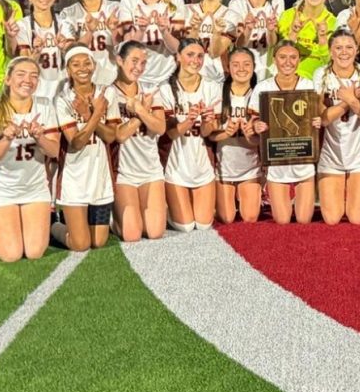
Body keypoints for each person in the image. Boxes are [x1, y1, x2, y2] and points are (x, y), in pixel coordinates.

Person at [0, 57, 60, 262]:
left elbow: (54, 151)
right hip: (3, 188)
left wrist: (40, 137)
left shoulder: (45, 106)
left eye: (33, 76)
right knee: (11, 255)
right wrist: (6, 138)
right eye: (21, 74)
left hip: (35, 187)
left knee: (34, 252)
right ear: (8, 79)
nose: (28, 80)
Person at [51, 47, 116, 251]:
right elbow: (76, 143)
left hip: (100, 177)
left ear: (94, 65)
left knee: (98, 242)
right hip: (74, 177)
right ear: (68, 70)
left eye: (87, 63)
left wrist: (89, 115)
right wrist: (94, 114)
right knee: (81, 244)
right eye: (75, 64)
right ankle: (52, 226)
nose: (82, 68)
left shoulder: (107, 93)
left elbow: (111, 136)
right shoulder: (62, 99)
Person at [105, 41, 170, 241]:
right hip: (124, 171)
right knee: (132, 235)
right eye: (134, 61)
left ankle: (143, 212)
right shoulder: (110, 93)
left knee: (155, 232)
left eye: (143, 63)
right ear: (119, 60)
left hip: (150, 169)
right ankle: (112, 219)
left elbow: (160, 127)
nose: (139, 67)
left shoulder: (150, 90)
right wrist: (138, 116)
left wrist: (140, 109)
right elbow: (120, 135)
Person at [315, 31, 360, 225]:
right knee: (332, 219)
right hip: (330, 154)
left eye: (349, 47)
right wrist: (349, 101)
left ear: (356, 50)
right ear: (331, 52)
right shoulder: (321, 74)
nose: (344, 52)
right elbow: (324, 119)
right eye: (338, 47)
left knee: (357, 218)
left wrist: (351, 99)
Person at [251, 41, 317, 224]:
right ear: (274, 59)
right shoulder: (263, 88)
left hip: (303, 160)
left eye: (293, 57)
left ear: (299, 60)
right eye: (282, 57)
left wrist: (318, 121)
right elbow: (253, 121)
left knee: (304, 220)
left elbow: (318, 116)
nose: (288, 62)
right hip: (277, 161)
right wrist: (257, 125)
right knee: (282, 221)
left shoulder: (308, 85)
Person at [163, 38, 222, 231]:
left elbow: (207, 132)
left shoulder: (211, 87)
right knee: (186, 226)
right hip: (176, 166)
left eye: (200, 56)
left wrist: (206, 120)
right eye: (190, 55)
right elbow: (170, 134)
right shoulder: (165, 89)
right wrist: (188, 120)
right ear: (178, 57)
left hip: (202, 165)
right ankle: (164, 207)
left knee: (203, 225)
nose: (195, 61)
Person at [214, 48, 262, 223]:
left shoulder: (260, 93)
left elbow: (263, 139)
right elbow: (209, 136)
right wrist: (226, 133)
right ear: (228, 67)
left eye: (246, 64)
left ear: (254, 66)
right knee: (226, 218)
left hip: (250, 166)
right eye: (236, 64)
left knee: (250, 217)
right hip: (223, 168)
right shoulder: (218, 92)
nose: (241, 69)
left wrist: (251, 136)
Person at [119, 0, 185, 87]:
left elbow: (177, 48)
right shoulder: (128, 1)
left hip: (167, 73)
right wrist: (141, 30)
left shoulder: (175, 0)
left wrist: (164, 32)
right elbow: (128, 47)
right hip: (136, 74)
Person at [59, 0, 123, 87]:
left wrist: (114, 30)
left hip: (113, 77)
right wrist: (90, 31)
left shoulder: (115, 8)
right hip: (84, 79)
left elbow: (125, 48)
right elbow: (71, 52)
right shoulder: (68, 13)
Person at [11, 0, 66, 100]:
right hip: (36, 91)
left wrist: (64, 49)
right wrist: (36, 53)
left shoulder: (65, 23)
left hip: (63, 89)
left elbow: (73, 59)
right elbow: (24, 64)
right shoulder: (22, 26)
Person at [228, 0, 284, 80]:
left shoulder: (277, 1)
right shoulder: (236, 4)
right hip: (245, 68)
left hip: (269, 69)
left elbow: (273, 43)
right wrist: (247, 30)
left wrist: (270, 30)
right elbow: (238, 45)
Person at [277, 0, 336, 79]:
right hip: (288, 82)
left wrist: (322, 38)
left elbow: (331, 62)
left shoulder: (334, 22)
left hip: (318, 83)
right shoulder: (287, 16)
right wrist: (293, 34)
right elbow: (278, 55)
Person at [184, 0, 236, 83]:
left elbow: (214, 53)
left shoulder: (231, 15)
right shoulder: (186, 11)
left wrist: (216, 33)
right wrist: (194, 29)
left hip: (216, 79)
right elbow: (186, 49)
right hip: (188, 77)